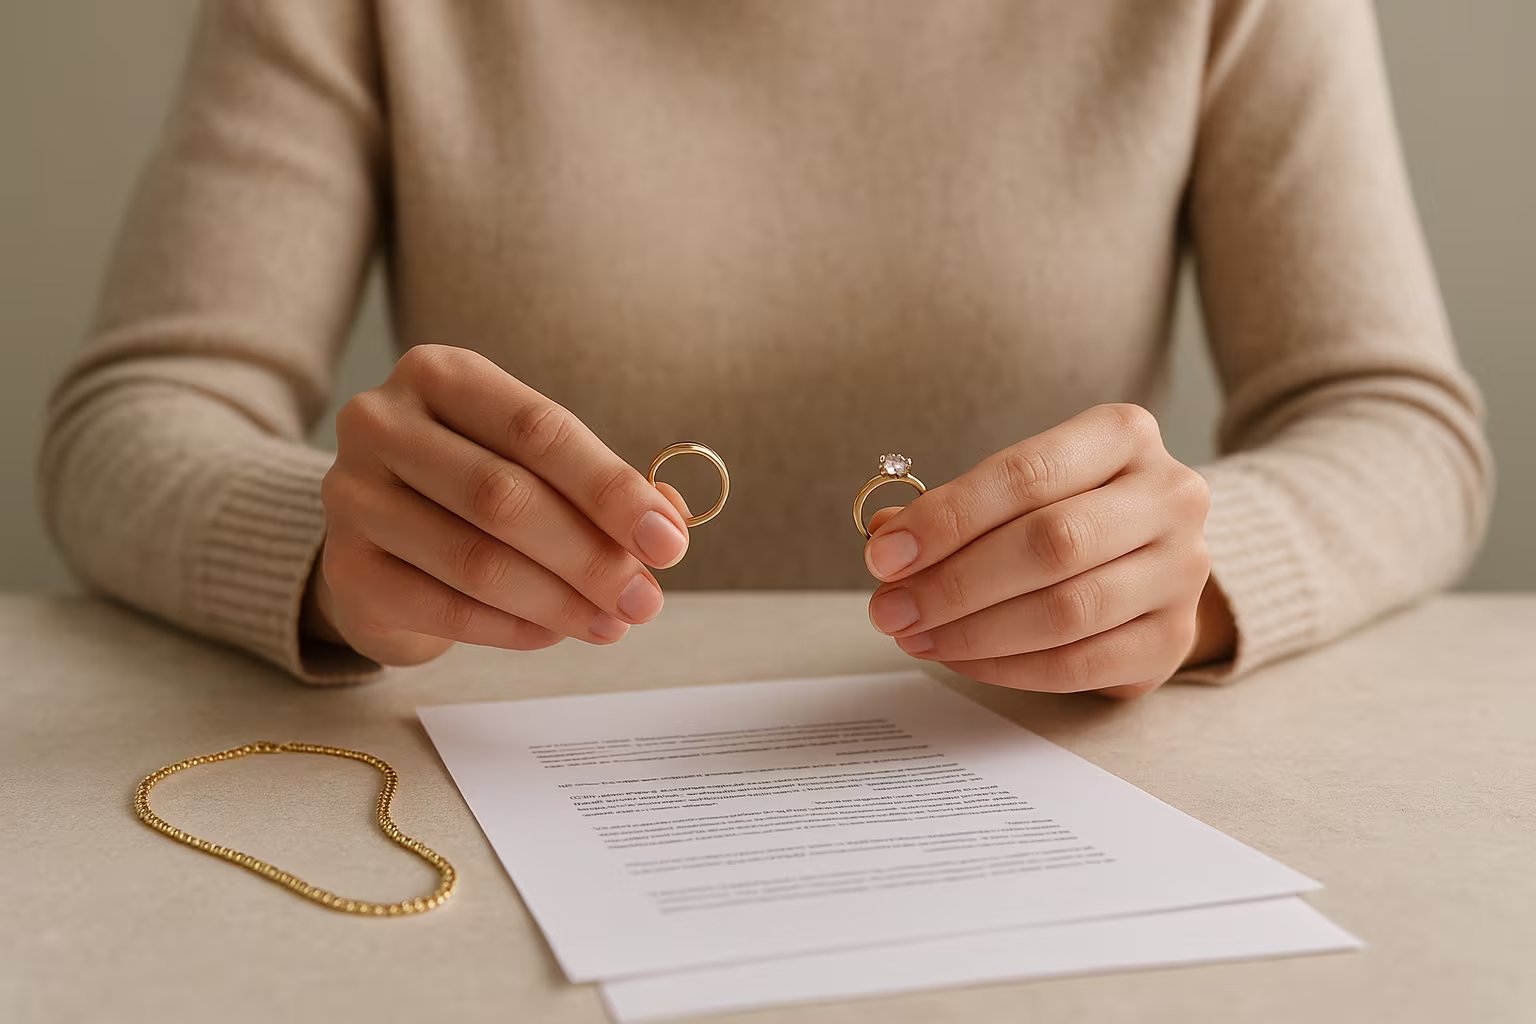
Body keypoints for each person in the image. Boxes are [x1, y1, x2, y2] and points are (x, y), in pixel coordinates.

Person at [40, 1, 1491, 696]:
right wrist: (327, 546)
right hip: (493, 816)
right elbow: (134, 414)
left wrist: (1200, 566)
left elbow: (1399, 421)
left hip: (1024, 806)